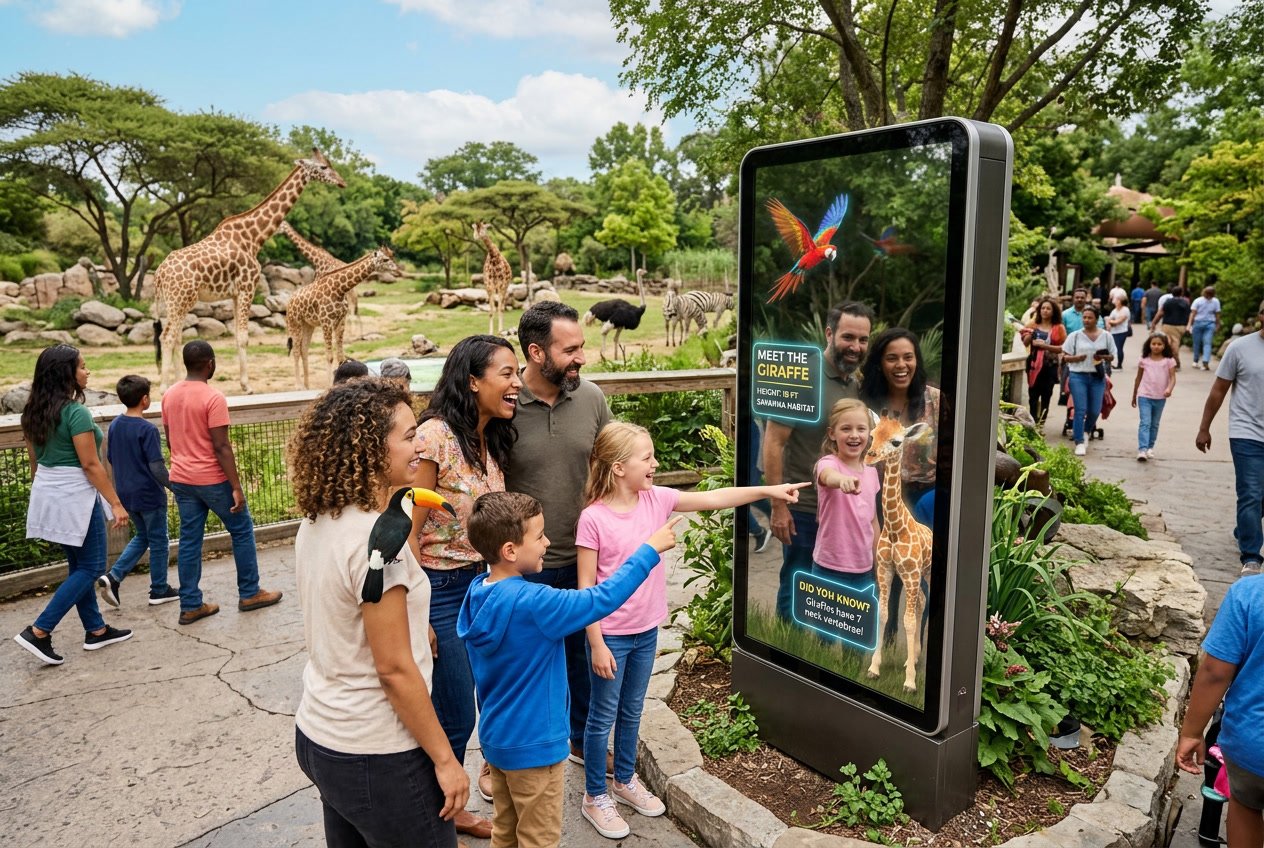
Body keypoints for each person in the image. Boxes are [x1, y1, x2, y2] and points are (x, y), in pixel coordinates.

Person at [575, 421, 806, 839]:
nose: (656, 463)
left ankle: (624, 780)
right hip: (609, 635)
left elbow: (716, 497)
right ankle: (595, 795)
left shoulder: (657, 499)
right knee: (601, 717)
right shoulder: (593, 519)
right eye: (647, 457)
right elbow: (586, 589)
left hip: (647, 631)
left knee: (633, 710)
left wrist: (768, 491)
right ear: (618, 467)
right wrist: (595, 643)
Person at [288, 377, 467, 847]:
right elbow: (393, 669)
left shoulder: (319, 520)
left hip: (321, 735)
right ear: (370, 446)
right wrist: (446, 759)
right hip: (379, 752)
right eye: (409, 436)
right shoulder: (378, 543)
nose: (420, 445)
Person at [458, 491, 680, 848]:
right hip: (535, 749)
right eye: (540, 536)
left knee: (506, 831)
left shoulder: (478, 593)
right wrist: (648, 550)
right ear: (510, 551)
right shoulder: (534, 604)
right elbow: (601, 599)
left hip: (497, 742)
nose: (548, 542)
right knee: (539, 840)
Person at [408, 334, 521, 840]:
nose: (516, 383)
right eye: (506, 373)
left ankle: (444, 812)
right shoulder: (434, 437)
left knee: (474, 701)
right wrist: (417, 612)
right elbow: (406, 528)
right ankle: (438, 819)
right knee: (454, 710)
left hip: (481, 587)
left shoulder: (486, 438)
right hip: (441, 586)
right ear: (473, 381)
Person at [504, 301, 614, 776]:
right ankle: (498, 757)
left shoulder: (591, 399)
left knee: (583, 663)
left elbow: (612, 469)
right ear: (535, 352)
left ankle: (582, 741)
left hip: (582, 559)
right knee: (516, 670)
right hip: (521, 567)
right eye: (570, 350)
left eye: (582, 348)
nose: (581, 359)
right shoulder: (504, 406)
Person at [14, 345, 132, 665]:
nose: (87, 371)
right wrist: (116, 503)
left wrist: (46, 496)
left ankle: (96, 630)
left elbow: (34, 464)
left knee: (78, 566)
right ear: (66, 373)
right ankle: (39, 630)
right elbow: (91, 466)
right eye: (82, 366)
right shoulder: (75, 413)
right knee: (92, 567)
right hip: (77, 497)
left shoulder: (33, 412)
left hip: (51, 495)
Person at [763, 302, 873, 620]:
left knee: (834, 595)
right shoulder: (802, 378)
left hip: (846, 514)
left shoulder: (855, 384)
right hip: (804, 508)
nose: (855, 347)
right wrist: (778, 506)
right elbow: (773, 442)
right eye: (848, 337)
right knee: (797, 583)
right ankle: (786, 657)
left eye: (862, 340)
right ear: (829, 333)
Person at [163, 341, 282, 624]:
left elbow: (169, 439)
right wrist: (236, 487)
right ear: (210, 364)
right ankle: (250, 592)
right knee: (241, 530)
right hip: (211, 479)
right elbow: (221, 446)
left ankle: (191, 604)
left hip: (181, 477)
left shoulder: (168, 395)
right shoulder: (213, 397)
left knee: (190, 540)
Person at [1176, 573, 1264, 848]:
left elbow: (1215, 672)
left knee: (1246, 807)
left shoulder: (1249, 594)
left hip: (1253, 744)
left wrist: (1192, 731)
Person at [96, 374, 177, 608]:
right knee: (159, 541)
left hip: (126, 494)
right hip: (149, 494)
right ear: (144, 399)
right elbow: (157, 467)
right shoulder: (147, 429)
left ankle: (113, 576)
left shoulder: (116, 425)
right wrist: (176, 487)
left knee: (143, 536)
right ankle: (159, 589)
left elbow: (111, 458)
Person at [1196, 300, 1264, 575]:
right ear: (1260, 316)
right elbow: (1218, 390)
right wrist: (1204, 427)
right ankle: (1251, 555)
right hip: (1246, 432)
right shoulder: (1240, 348)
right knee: (1250, 493)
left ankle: (1243, 527)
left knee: (1257, 497)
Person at [858, 327, 941, 527]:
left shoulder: (936, 401)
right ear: (879, 363)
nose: (901, 365)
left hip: (928, 504)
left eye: (908, 357)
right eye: (892, 358)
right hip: (878, 505)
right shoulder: (864, 405)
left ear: (916, 361)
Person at [812, 399, 880, 589]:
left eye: (861, 429)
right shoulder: (829, 463)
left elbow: (872, 521)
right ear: (832, 433)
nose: (854, 435)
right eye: (846, 429)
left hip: (864, 571)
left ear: (870, 433)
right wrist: (842, 480)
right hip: (829, 569)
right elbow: (827, 476)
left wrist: (879, 560)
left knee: (862, 619)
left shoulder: (872, 473)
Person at [1062, 305, 1117, 457]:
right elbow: (1064, 356)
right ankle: (1079, 441)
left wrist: (1103, 357)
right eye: (1084, 317)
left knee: (1094, 409)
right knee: (1080, 409)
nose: (1086, 320)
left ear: (1096, 319)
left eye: (1089, 317)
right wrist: (1076, 358)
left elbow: (1112, 356)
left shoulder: (1106, 336)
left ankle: (1086, 431)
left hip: (1097, 376)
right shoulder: (1075, 336)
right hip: (1078, 375)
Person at [1020, 296, 1066, 425]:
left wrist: (1045, 346)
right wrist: (1029, 334)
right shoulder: (1032, 324)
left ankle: (1041, 425)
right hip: (1034, 364)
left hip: (1050, 366)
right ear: (1039, 310)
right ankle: (1033, 424)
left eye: (1048, 308)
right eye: (1043, 308)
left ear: (1053, 311)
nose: (1045, 311)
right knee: (1033, 397)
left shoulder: (1059, 328)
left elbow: (1062, 348)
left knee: (1046, 396)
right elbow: (1025, 343)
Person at [1131, 333, 1176, 462]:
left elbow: (1173, 378)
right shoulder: (1144, 360)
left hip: (1160, 397)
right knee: (1145, 422)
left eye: (1159, 344)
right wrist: (1134, 395)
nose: (1156, 346)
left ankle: (1150, 447)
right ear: (1149, 345)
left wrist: (1169, 389)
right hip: (1144, 395)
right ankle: (1142, 449)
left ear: (1164, 346)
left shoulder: (1169, 361)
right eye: (1153, 344)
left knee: (1154, 424)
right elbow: (1138, 378)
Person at [1154, 285, 1191, 369]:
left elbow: (1160, 314)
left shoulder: (1168, 302)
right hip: (1181, 326)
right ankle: (1172, 362)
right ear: (1181, 293)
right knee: (1174, 343)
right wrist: (1189, 325)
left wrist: (1154, 323)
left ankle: (1174, 362)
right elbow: (1189, 315)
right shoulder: (1185, 302)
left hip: (1168, 325)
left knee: (1168, 344)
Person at [1188, 285, 1223, 371]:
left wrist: (1189, 324)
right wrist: (1218, 325)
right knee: (1202, 343)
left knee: (1202, 343)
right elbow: (1217, 315)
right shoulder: (1211, 301)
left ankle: (1201, 361)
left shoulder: (1202, 301)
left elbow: (1193, 314)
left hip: (1204, 324)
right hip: (1204, 324)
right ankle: (1200, 361)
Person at [1106, 292, 1132, 369]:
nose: (1115, 301)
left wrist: (1110, 321)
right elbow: (1110, 320)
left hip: (1122, 331)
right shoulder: (1114, 310)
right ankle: (1109, 363)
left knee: (1119, 348)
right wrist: (1110, 321)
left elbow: (1118, 321)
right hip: (1113, 331)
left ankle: (1119, 364)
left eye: (1117, 299)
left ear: (1121, 301)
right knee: (1110, 348)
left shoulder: (1125, 310)